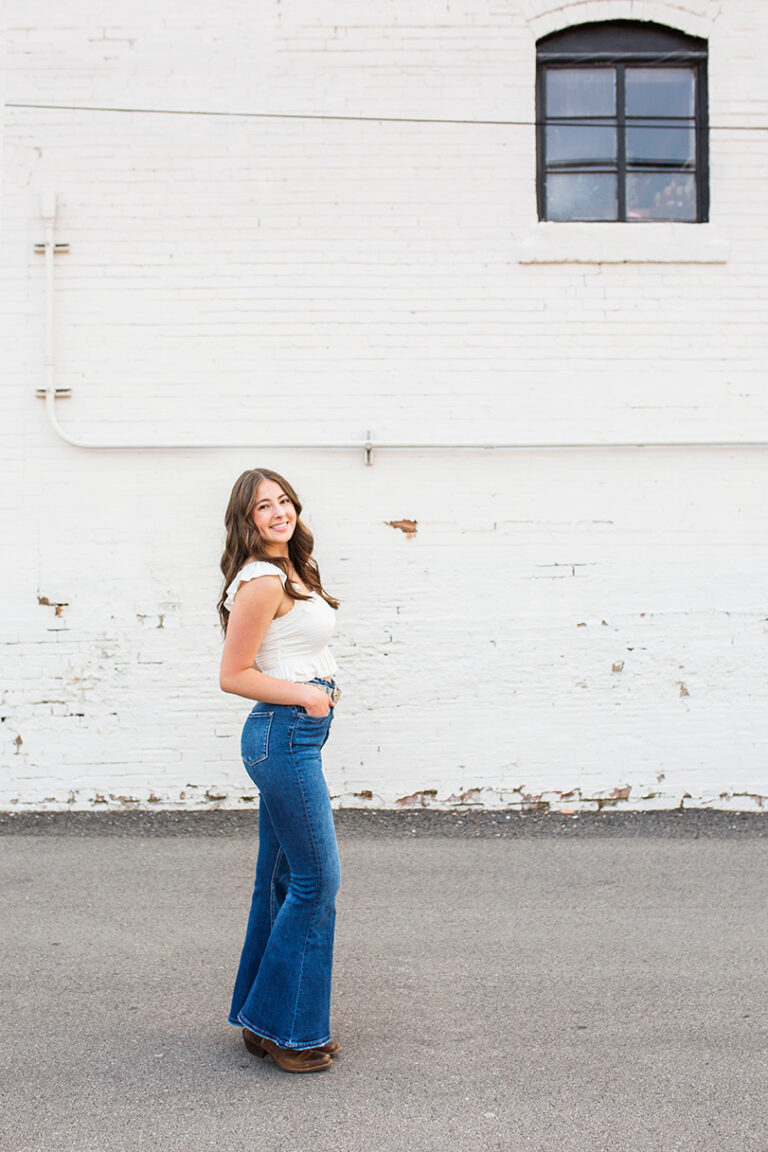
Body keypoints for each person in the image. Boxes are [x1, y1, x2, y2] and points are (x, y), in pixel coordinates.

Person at [218, 467, 342, 1073]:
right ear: (247, 519)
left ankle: (258, 1015)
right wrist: (308, 695)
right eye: (264, 506)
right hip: (284, 735)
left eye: (285, 500)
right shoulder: (263, 581)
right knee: (317, 882)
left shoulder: (289, 571)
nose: (278, 512)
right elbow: (233, 674)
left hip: (294, 735)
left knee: (281, 879)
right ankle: (290, 1031)